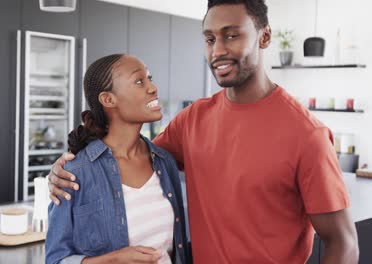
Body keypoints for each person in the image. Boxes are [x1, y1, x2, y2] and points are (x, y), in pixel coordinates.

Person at [47, 0, 359, 263]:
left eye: (232, 36)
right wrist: (67, 163)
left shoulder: (306, 135)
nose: (217, 50)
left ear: (264, 37)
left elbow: (343, 242)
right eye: (209, 39)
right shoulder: (193, 120)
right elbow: (126, 159)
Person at [45, 54, 190, 264]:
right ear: (108, 99)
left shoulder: (164, 161)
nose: (152, 87)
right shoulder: (74, 172)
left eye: (150, 78)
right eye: (140, 81)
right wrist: (110, 261)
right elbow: (55, 259)